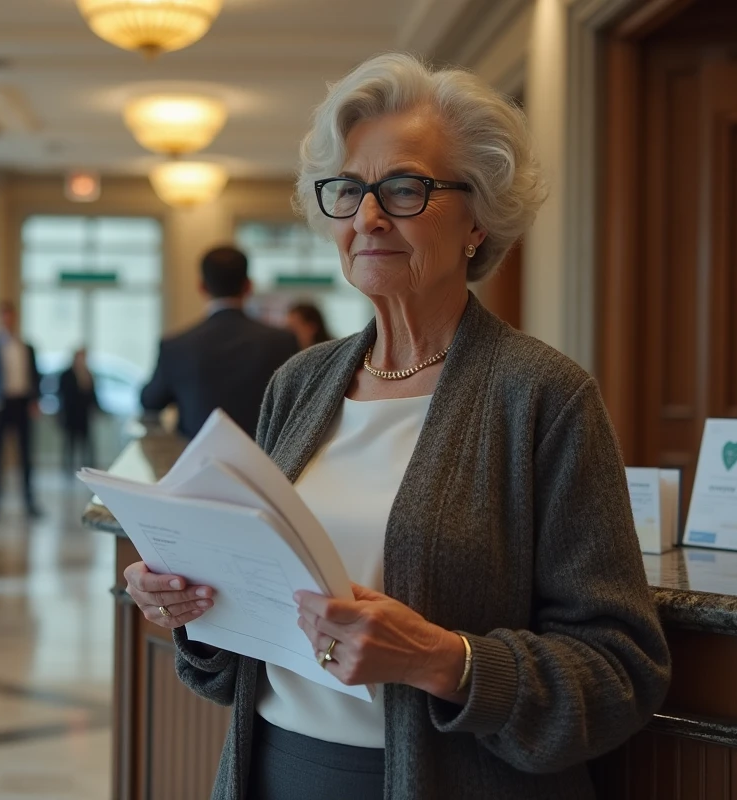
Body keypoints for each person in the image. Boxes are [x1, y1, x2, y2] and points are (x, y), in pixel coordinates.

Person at [122, 53, 671, 799]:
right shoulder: (301, 382)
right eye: (350, 191)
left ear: (478, 219)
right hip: (272, 773)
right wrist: (191, 602)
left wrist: (443, 660)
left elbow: (621, 671)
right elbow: (245, 657)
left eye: (404, 189)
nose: (368, 217)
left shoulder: (543, 394)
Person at [140, 246, 299, 439]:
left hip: (199, 464)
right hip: (266, 463)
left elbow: (150, 400)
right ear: (248, 286)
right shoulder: (282, 342)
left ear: (202, 287)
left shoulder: (176, 346)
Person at [0, 301, 42, 517]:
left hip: (22, 403)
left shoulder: (26, 346)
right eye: (3, 316)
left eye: (10, 316)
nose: (7, 321)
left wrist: (35, 400)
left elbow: (34, 376)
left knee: (26, 453)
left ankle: (29, 500)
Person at [57, 348, 100, 472]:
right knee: (70, 444)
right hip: (71, 415)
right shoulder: (66, 374)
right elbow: (63, 396)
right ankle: (68, 469)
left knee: (87, 444)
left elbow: (93, 396)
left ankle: (88, 469)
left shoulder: (88, 374)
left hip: (84, 415)